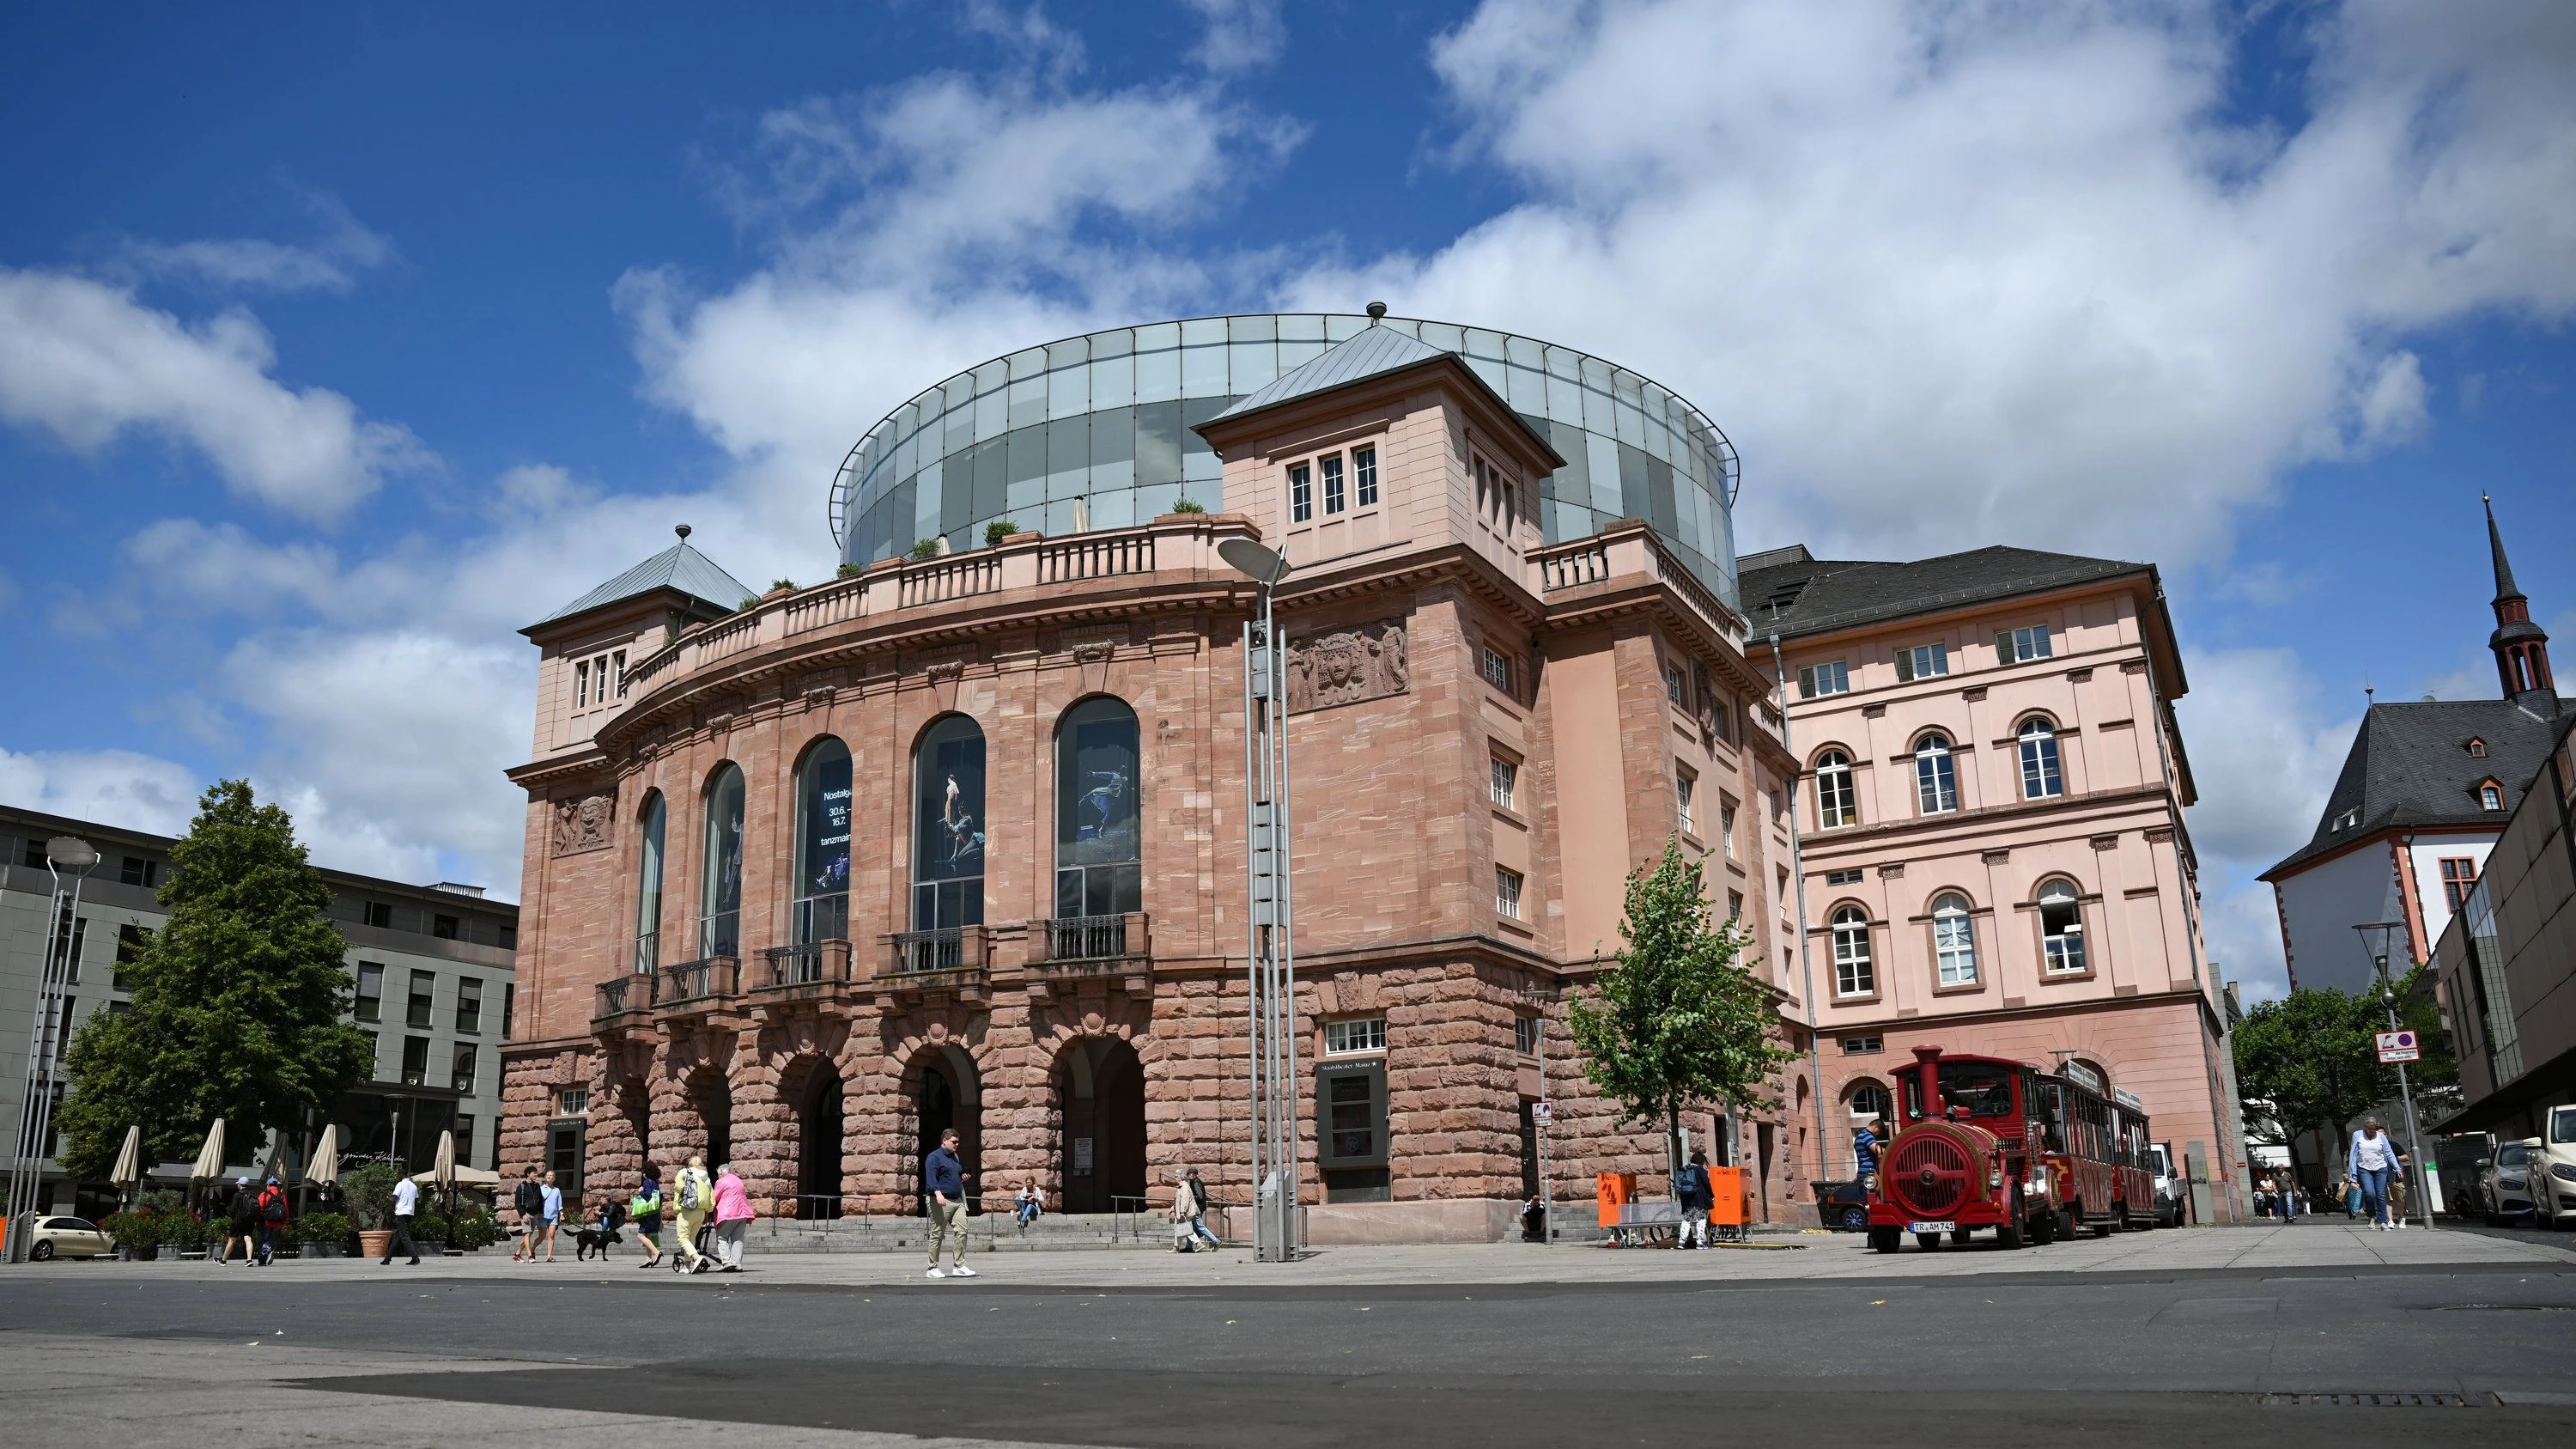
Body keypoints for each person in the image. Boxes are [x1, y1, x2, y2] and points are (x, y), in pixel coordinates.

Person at [924, 1128, 975, 1278]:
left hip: (957, 1200)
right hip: (940, 1200)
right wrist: (938, 1193)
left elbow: (952, 1176)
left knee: (962, 1230)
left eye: (958, 1142)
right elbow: (931, 1178)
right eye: (954, 1142)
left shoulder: (955, 1157)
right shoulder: (934, 1157)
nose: (956, 1144)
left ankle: (959, 1266)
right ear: (944, 1140)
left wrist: (962, 1177)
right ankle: (932, 1268)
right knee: (937, 1233)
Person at [2348, 1117, 2397, 1230]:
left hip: (2380, 1168)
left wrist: (2397, 1167)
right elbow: (2354, 1155)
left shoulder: (2380, 1136)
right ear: (2365, 1127)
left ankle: (2383, 1221)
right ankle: (2371, 1216)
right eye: (2370, 1128)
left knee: (2380, 1194)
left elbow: (2389, 1152)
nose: (2372, 1131)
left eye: (2374, 1129)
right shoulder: (2357, 1135)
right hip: (2364, 1168)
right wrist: (2353, 1176)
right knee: (2370, 1193)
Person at [671, 1154, 713, 1274]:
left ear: (689, 1164)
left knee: (683, 1237)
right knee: (691, 1239)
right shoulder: (706, 1177)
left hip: (687, 1209)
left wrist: (685, 1194)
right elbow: (711, 1196)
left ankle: (696, 1258)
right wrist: (708, 1210)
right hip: (701, 1212)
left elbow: (678, 1187)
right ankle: (686, 1267)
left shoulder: (684, 1172)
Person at [710, 1162, 754, 1272]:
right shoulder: (738, 1180)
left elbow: (714, 1198)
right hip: (742, 1212)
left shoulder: (721, 1181)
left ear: (721, 1173)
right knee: (738, 1239)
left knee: (722, 1237)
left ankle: (726, 1262)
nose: (718, 1177)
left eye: (718, 1175)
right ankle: (737, 1263)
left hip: (727, 1213)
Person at [1674, 1150, 1714, 1250]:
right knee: (1701, 1219)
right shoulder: (1701, 1170)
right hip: (1699, 1198)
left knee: (1687, 1220)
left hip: (1686, 1198)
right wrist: (1712, 1195)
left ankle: (1681, 1242)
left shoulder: (1684, 1169)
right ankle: (1700, 1242)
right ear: (1701, 1161)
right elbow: (1707, 1184)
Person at [381, 1172, 421, 1265]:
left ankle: (415, 1258)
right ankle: (387, 1259)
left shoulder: (400, 1185)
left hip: (401, 1213)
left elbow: (394, 1199)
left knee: (404, 1236)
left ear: (400, 1175)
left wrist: (388, 1201)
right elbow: (416, 1201)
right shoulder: (414, 1186)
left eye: (397, 1176)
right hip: (410, 1213)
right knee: (397, 1237)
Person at [630, 1169, 665, 1268]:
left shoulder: (646, 1182)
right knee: (647, 1235)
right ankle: (648, 1259)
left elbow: (648, 1195)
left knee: (640, 1236)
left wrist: (641, 1192)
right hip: (654, 1212)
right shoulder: (655, 1183)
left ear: (647, 1173)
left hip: (648, 1214)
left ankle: (657, 1253)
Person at [1183, 1167, 1222, 1249]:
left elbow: (1200, 1196)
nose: (1189, 1175)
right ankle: (1189, 1247)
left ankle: (1216, 1241)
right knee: (1192, 1227)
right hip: (1197, 1208)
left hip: (1197, 1208)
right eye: (1189, 1174)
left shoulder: (1196, 1183)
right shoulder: (1193, 1182)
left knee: (1200, 1226)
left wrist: (1189, 1196)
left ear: (1194, 1175)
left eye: (1191, 1174)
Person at [1168, 1169, 1205, 1252]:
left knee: (1186, 1229)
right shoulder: (1181, 1187)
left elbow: (1185, 1200)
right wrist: (1172, 1209)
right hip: (1181, 1212)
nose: (1175, 1178)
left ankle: (1198, 1243)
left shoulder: (1184, 1187)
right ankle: (1176, 1247)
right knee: (1179, 1229)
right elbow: (1178, 1202)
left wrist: (1182, 1212)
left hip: (1185, 1212)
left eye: (1176, 1176)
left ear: (1180, 1178)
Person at [256, 1176, 290, 1266]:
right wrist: (283, 1222)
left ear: (268, 1185)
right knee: (271, 1240)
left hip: (265, 1222)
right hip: (278, 1222)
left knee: (262, 1240)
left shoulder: (264, 1194)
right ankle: (269, 1251)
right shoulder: (282, 1196)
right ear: (276, 1186)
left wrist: (257, 1219)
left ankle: (263, 1259)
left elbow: (260, 1207)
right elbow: (286, 1210)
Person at [511, 1166, 544, 1262]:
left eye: (537, 1173)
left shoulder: (537, 1186)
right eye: (534, 1173)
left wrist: (541, 1211)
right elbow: (517, 1203)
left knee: (526, 1236)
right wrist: (522, 1214)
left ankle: (517, 1255)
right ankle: (530, 1256)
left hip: (535, 1214)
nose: (536, 1174)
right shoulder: (521, 1187)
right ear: (528, 1174)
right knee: (528, 1234)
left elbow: (540, 1200)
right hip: (526, 1214)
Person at [225, 1177, 259, 1265]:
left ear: (240, 1185)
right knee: (248, 1239)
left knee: (232, 1240)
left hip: (238, 1220)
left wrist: (231, 1215)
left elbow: (233, 1209)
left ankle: (223, 1260)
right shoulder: (252, 1194)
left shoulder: (237, 1195)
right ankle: (249, 1260)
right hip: (249, 1220)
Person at [536, 1170, 563, 1261]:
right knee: (542, 1236)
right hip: (543, 1215)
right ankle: (532, 1250)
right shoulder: (541, 1188)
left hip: (553, 1215)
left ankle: (549, 1256)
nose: (549, 1176)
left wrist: (562, 1214)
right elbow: (538, 1202)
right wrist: (538, 1212)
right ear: (545, 1177)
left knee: (551, 1235)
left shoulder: (557, 1190)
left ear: (554, 1178)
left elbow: (559, 1204)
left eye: (551, 1175)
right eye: (547, 1175)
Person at [1854, 1117, 1886, 1185]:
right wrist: (1889, 1150)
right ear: (1875, 1128)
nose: (1878, 1134)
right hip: (1868, 1173)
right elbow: (1879, 1151)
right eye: (1879, 1131)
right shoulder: (1867, 1136)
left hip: (1863, 1171)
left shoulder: (1860, 1135)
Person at [2388, 1149, 2412, 1230]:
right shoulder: (2374, 1145)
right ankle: (2390, 1220)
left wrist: (2393, 1158)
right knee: (2387, 1200)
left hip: (2396, 1179)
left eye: (2384, 1135)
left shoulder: (2393, 1145)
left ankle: (2401, 1217)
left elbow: (2406, 1157)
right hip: (2383, 1178)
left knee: (2400, 1200)